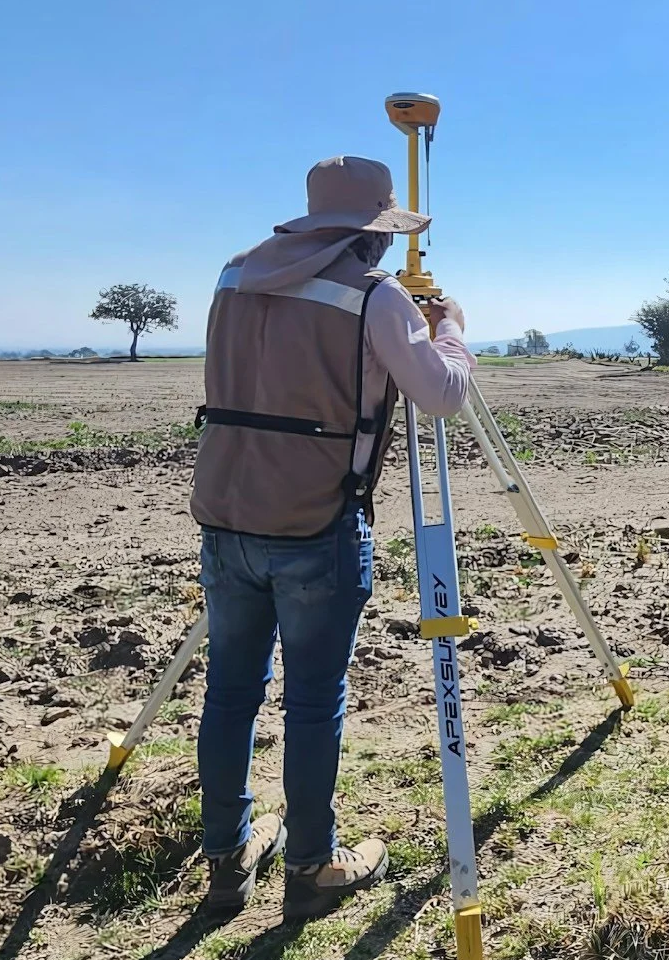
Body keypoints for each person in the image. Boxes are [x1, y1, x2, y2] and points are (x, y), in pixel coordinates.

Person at [188, 155, 474, 919]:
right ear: (373, 236)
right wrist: (450, 329)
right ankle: (314, 863)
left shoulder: (232, 275)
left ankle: (227, 854)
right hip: (316, 524)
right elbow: (440, 393)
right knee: (314, 700)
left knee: (230, 692)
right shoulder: (374, 296)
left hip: (224, 516)